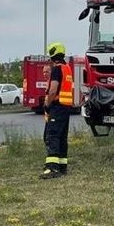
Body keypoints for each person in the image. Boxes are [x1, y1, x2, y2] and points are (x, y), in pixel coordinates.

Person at [41, 41, 74, 179]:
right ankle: (62, 166)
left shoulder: (56, 69)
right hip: (66, 107)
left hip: (57, 106)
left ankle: (52, 168)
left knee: (52, 136)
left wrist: (47, 104)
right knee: (62, 137)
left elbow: (53, 89)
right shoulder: (67, 68)